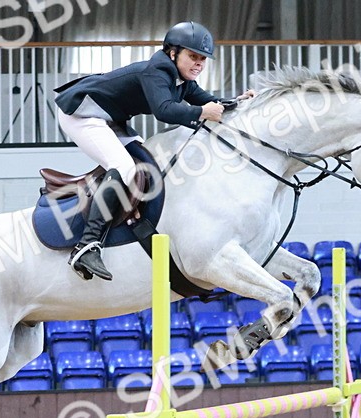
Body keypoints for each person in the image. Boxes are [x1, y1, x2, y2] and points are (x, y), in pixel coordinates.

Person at [54, 21, 254, 281]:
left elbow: (210, 103)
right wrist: (203, 112)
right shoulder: (158, 70)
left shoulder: (182, 80)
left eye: (203, 59)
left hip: (110, 119)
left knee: (147, 164)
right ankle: (87, 246)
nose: (199, 64)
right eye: (193, 56)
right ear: (173, 53)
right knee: (124, 168)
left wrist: (240, 102)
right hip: (83, 113)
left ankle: (127, 212)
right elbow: (164, 110)